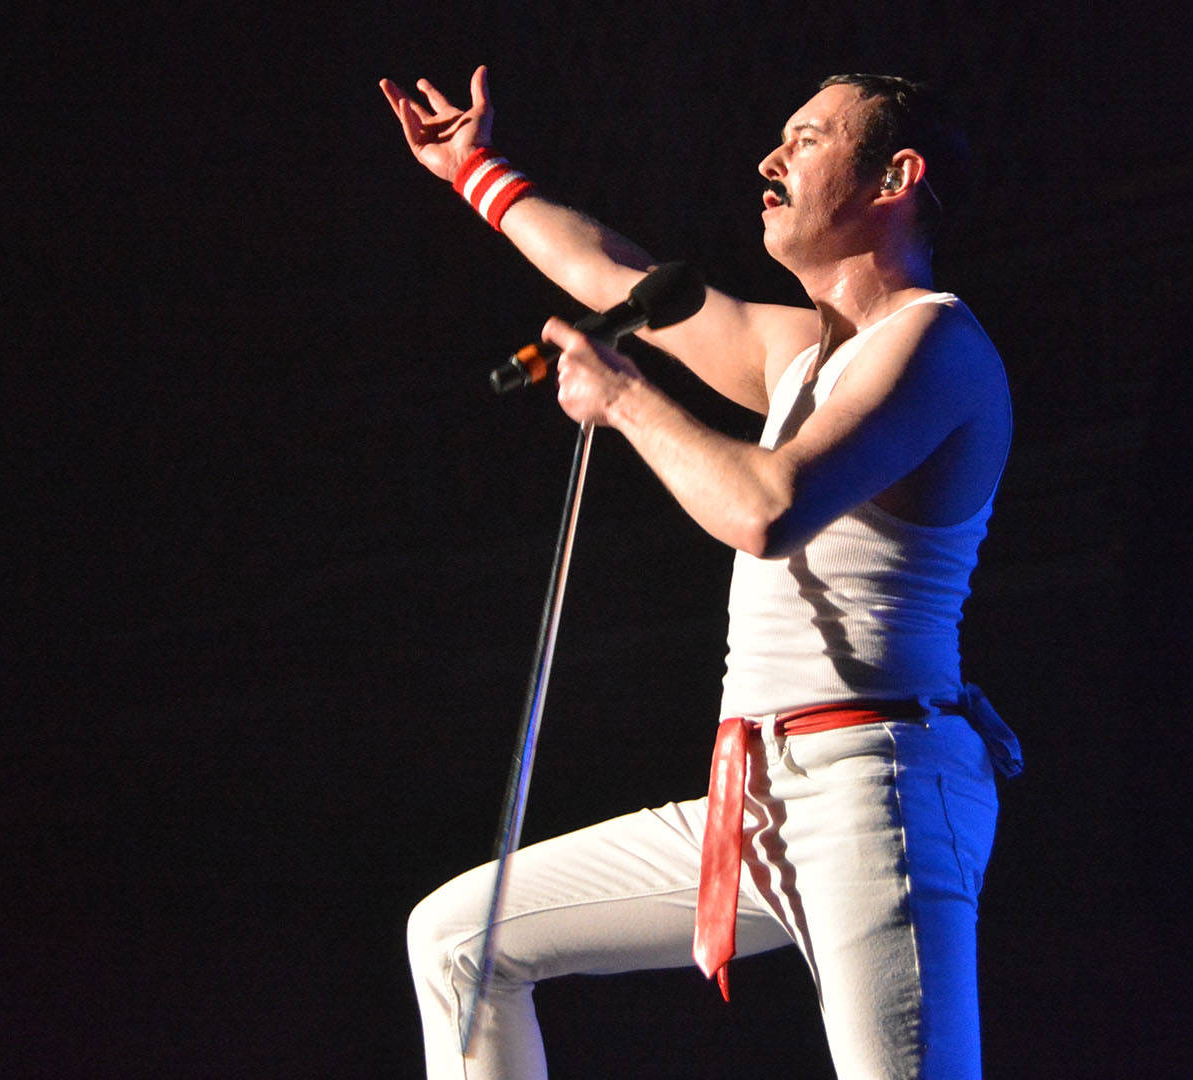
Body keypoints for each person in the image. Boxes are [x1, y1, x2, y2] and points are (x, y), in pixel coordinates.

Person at [380, 65, 1019, 1079]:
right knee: (459, 939)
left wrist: (624, 400)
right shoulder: (797, 357)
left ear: (896, 175)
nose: (770, 161)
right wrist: (477, 173)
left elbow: (766, 509)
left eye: (806, 141)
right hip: (758, 792)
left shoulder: (937, 341)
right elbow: (616, 275)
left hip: (873, 789)